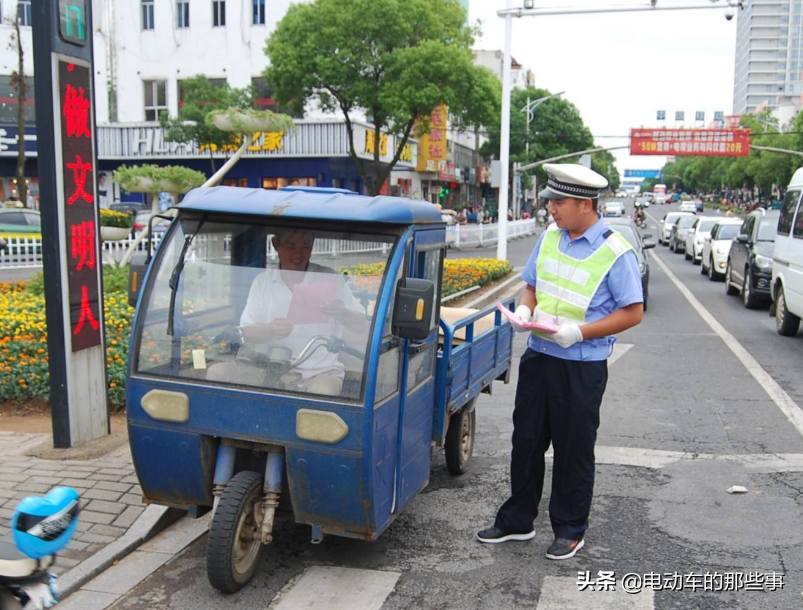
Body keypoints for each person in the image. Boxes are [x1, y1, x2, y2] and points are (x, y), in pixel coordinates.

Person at [476, 163, 644, 560]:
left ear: (586, 204)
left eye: (560, 202)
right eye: (550, 201)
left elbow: (633, 311)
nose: (551, 209)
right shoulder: (551, 237)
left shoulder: (614, 252)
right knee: (527, 441)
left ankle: (570, 528)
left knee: (573, 448)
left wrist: (581, 332)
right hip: (539, 356)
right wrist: (524, 309)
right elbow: (532, 285)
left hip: (581, 366)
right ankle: (517, 519)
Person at [206, 229, 365, 396]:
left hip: (319, 372)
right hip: (267, 369)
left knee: (322, 392)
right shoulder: (263, 282)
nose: (298, 253)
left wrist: (342, 313)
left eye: (305, 246)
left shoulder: (328, 278)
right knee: (218, 373)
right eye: (291, 246)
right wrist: (269, 330)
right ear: (276, 245)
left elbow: (360, 325)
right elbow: (247, 333)